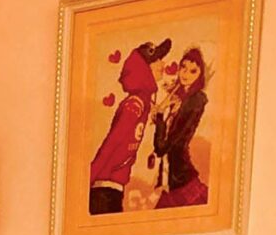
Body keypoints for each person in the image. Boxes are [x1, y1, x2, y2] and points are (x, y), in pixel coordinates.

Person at [88, 37, 172, 214]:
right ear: (144, 69)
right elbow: (111, 143)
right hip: (104, 189)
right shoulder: (134, 105)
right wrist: (88, 179)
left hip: (114, 188)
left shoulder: (143, 102)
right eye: (157, 60)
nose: (162, 63)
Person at [156, 47, 210, 208]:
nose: (186, 74)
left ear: (200, 75)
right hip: (172, 177)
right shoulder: (178, 98)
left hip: (181, 177)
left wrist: (160, 114)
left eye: (193, 71)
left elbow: (162, 147)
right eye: (183, 68)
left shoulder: (196, 100)